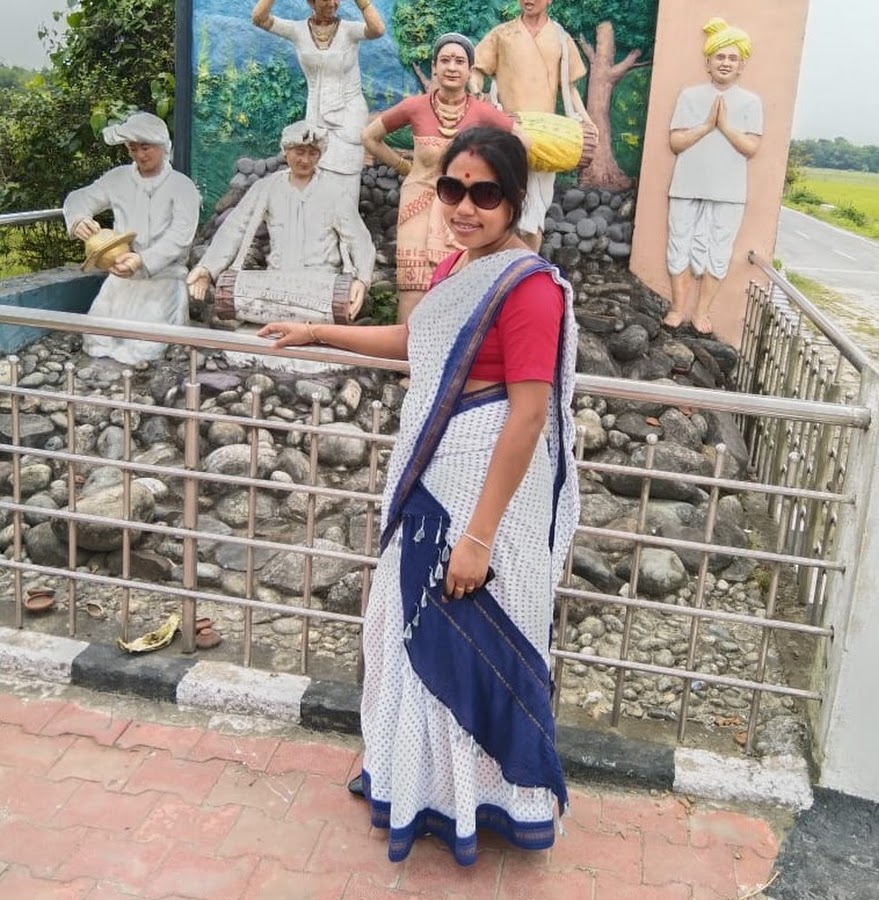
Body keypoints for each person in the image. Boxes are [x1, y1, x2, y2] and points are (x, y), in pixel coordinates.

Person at [260, 126, 579, 866]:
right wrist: (317, 332)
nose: (465, 207)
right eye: (453, 189)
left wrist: (479, 537)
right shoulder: (457, 266)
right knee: (401, 627)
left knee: (469, 637)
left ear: (514, 199)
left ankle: (479, 802)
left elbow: (528, 416)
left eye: (484, 193)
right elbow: (416, 342)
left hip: (481, 487)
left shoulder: (528, 289)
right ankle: (413, 783)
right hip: (434, 470)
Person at [362, 33, 522, 322]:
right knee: (412, 285)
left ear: (469, 70)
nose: (451, 67)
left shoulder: (483, 112)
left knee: (459, 284)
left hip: (462, 208)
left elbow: (523, 142)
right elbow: (369, 137)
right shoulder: (415, 106)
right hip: (417, 204)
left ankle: (451, 348)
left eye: (459, 61)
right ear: (434, 67)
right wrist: (403, 166)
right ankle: (405, 350)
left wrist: (494, 181)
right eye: (445, 60)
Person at [186, 121, 375, 322]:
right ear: (286, 152)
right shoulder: (267, 188)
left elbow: (358, 239)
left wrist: (362, 280)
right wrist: (207, 269)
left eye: (312, 153)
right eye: (299, 152)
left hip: (320, 291)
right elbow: (235, 228)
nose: (305, 160)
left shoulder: (334, 193)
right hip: (277, 292)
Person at [63, 112, 201, 365]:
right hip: (120, 278)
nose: (140, 155)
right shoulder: (117, 179)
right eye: (133, 148)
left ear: (162, 145)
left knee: (144, 349)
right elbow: (79, 198)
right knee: (96, 340)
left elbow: (180, 237)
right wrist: (78, 219)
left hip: (163, 278)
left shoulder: (183, 187)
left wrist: (142, 260)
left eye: (145, 147)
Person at [663, 17, 763, 334]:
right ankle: (677, 308)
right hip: (686, 185)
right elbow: (676, 141)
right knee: (679, 244)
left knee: (718, 251)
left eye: (732, 58)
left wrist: (725, 126)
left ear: (741, 65)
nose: (725, 63)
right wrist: (707, 125)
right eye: (720, 56)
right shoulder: (690, 96)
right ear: (708, 61)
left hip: (729, 191)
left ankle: (701, 312)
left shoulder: (751, 102)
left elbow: (751, 147)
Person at [471, 0, 591, 251]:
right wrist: (478, 93)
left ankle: (527, 265)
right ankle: (498, 264)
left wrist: (587, 121)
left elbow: (569, 87)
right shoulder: (502, 34)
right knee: (502, 205)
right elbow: (477, 69)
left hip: (545, 139)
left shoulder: (561, 38)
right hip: (507, 133)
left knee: (535, 214)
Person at [251, 0, 385, 202]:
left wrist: (362, 2)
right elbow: (259, 19)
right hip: (316, 115)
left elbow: (377, 30)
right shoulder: (298, 31)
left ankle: (346, 219)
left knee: (347, 175)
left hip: (349, 114)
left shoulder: (349, 31)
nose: (333, 3)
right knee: (316, 173)